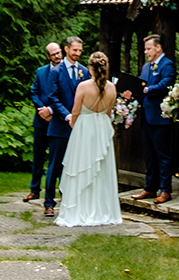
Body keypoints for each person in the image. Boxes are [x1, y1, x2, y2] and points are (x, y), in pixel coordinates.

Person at [56, 50, 122, 228]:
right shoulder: (112, 88)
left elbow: (75, 112)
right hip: (102, 127)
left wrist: (75, 127)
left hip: (85, 129)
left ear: (90, 68)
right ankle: (103, 211)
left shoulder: (83, 86)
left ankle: (80, 210)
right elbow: (108, 112)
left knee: (81, 166)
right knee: (101, 170)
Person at [44, 37, 90, 215]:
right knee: (55, 165)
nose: (78, 54)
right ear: (66, 49)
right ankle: (49, 202)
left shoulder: (84, 71)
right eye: (75, 50)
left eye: (80, 51)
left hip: (78, 126)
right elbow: (52, 97)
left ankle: (69, 200)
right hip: (59, 126)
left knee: (74, 165)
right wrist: (67, 115)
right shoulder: (56, 71)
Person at [135, 33, 175, 203]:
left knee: (163, 155)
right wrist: (132, 91)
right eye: (145, 49)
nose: (146, 52)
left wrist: (145, 90)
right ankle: (150, 188)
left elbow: (165, 85)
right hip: (146, 117)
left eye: (149, 49)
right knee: (149, 154)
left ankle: (165, 190)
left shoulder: (168, 65)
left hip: (160, 118)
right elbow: (139, 84)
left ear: (158, 48)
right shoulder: (145, 67)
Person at [27, 42, 63, 203]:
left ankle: (62, 189)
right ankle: (34, 189)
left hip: (57, 120)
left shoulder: (66, 72)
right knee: (38, 156)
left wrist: (51, 109)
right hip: (41, 120)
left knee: (58, 159)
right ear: (48, 56)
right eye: (54, 54)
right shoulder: (41, 72)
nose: (57, 56)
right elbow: (34, 92)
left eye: (59, 52)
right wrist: (42, 109)